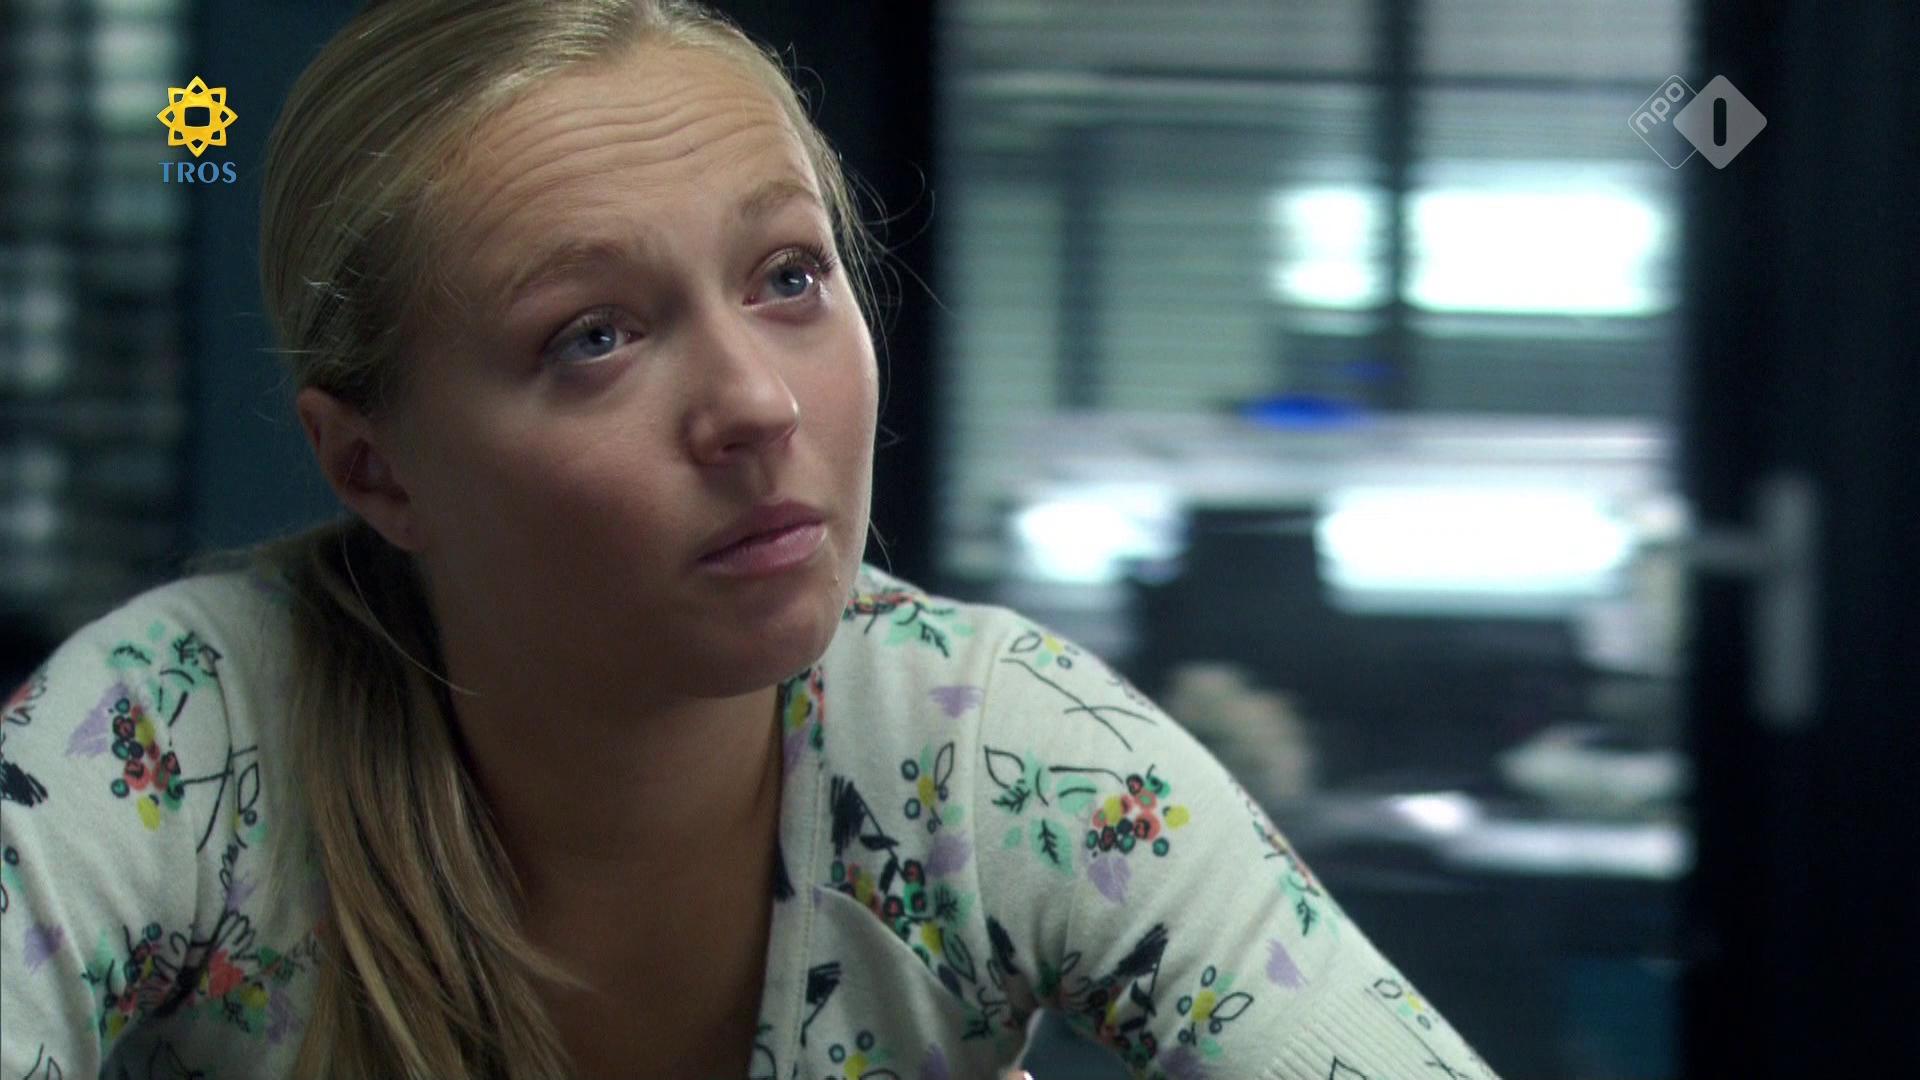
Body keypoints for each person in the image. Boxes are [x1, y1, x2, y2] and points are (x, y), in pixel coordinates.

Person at [0, 2, 1502, 1078]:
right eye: (594, 336)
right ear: (374, 467)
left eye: (789, 276)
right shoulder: (174, 740)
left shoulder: (987, 751)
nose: (758, 405)